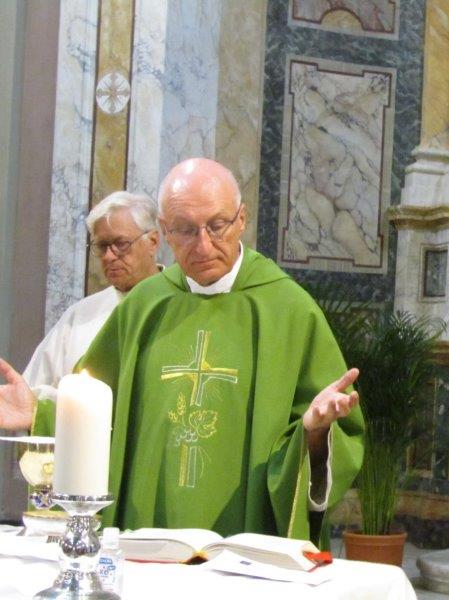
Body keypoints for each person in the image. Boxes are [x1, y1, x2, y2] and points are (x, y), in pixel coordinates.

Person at [0, 158, 364, 545]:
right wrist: (39, 413)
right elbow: (93, 411)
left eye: (217, 225)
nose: (203, 244)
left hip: (245, 548)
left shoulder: (289, 310)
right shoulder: (143, 307)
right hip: (143, 541)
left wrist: (314, 435)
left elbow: (334, 438)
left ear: (241, 219)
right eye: (186, 230)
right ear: (164, 232)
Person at [22, 192, 161, 401]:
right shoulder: (79, 317)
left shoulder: (180, 304)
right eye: (101, 246)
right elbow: (30, 393)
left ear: (153, 241)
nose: (109, 256)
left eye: (121, 244)